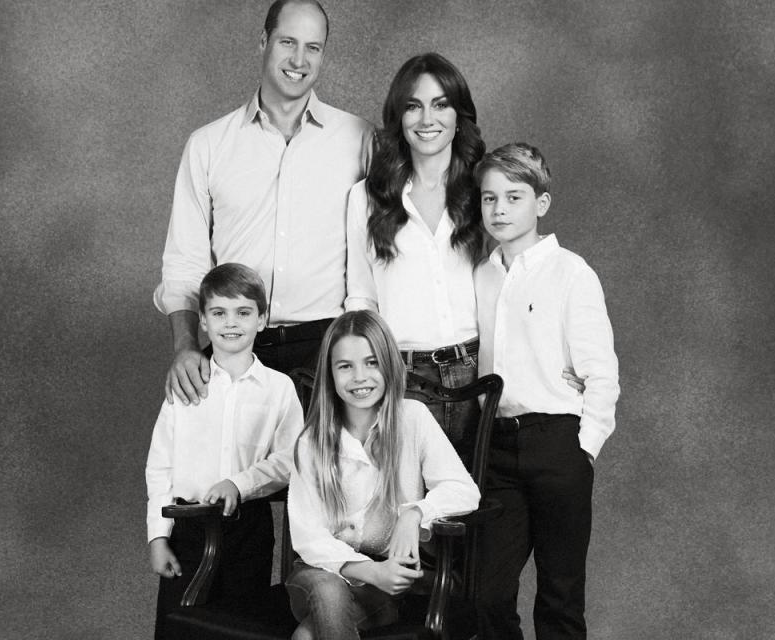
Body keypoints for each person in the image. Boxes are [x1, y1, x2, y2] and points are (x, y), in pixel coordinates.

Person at [346, 53, 582, 449]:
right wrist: (366, 373)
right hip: (401, 377)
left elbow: (522, 274)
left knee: (479, 502)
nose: (427, 119)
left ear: (459, 117)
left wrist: (560, 354)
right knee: (409, 505)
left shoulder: (483, 192)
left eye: (440, 105)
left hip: (479, 374)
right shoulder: (367, 197)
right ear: (398, 117)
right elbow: (361, 296)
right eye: (413, 106)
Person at [155, 0, 373, 405]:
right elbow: (185, 262)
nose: (299, 59)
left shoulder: (359, 140)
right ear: (263, 41)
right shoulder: (208, 145)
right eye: (287, 42)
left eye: (313, 47)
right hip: (236, 346)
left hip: (326, 350)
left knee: (324, 470)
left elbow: (384, 250)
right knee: (226, 470)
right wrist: (186, 346)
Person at [471, 144, 620, 639]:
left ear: (541, 203)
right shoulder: (481, 276)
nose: (499, 210)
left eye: (514, 197)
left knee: (559, 597)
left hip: (557, 442)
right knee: (486, 594)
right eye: (489, 199)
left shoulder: (571, 273)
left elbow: (601, 372)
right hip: (496, 446)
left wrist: (585, 449)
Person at [285, 310, 481, 639]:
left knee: (307, 637)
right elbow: (309, 537)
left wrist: (415, 513)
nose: (359, 376)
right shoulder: (312, 441)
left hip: (386, 585)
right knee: (328, 589)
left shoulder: (412, 418)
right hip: (317, 574)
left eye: (371, 362)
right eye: (345, 366)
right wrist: (371, 572)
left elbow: (463, 490)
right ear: (330, 374)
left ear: (388, 365)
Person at [145, 263, 304, 639]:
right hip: (187, 527)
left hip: (247, 528)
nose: (230, 323)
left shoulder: (278, 388)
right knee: (181, 630)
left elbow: (290, 460)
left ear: (262, 319)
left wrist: (240, 483)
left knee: (239, 629)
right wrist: (157, 536)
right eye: (219, 313)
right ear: (202, 320)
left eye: (243, 312)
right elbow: (160, 465)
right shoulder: (186, 384)